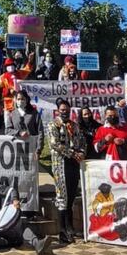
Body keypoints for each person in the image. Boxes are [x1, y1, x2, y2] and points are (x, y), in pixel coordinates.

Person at [48, 99, 86, 244]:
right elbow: (54, 143)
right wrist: (72, 153)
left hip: (73, 164)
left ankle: (69, 228)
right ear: (58, 110)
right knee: (61, 197)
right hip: (60, 164)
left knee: (70, 196)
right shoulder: (53, 125)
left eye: (67, 110)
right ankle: (62, 230)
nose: (65, 112)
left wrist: (81, 152)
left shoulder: (74, 125)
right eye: (62, 109)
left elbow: (82, 141)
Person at [0, 58, 33, 128]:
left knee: (19, 122)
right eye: (8, 65)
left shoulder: (19, 73)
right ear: (5, 67)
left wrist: (30, 60)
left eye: (12, 65)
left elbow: (27, 70)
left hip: (19, 103)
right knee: (8, 122)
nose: (10, 67)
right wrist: (8, 91)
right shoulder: (2, 77)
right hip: (8, 105)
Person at [5, 90, 44, 157]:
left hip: (32, 148)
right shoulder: (12, 114)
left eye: (22, 99)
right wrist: (19, 133)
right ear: (16, 100)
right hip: (17, 148)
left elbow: (40, 132)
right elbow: (7, 130)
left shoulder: (34, 113)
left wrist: (38, 150)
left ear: (27, 100)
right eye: (18, 99)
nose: (20, 101)